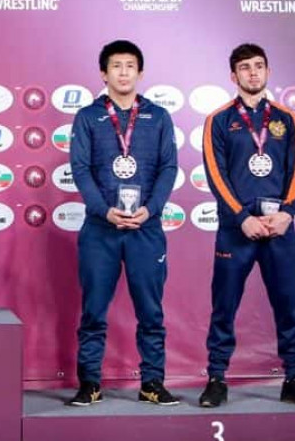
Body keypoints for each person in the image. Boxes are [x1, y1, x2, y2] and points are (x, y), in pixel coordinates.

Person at [68, 40, 178, 406]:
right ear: (104, 73)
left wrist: (151, 209)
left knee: (151, 313)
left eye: (130, 65)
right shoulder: (88, 116)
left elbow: (168, 168)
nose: (124, 72)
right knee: (93, 311)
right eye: (116, 66)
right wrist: (105, 211)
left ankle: (152, 383)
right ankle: (89, 383)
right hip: (101, 229)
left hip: (146, 228)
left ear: (140, 73)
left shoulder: (158, 116)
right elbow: (81, 169)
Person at [199, 43, 295, 407]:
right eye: (245, 67)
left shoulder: (287, 119)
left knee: (287, 305)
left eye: (259, 66)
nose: (253, 72)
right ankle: (216, 378)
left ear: (268, 71)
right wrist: (242, 217)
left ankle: (294, 376)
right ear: (234, 76)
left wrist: (287, 212)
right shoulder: (218, 120)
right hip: (237, 230)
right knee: (224, 306)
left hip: (279, 229)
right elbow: (216, 174)